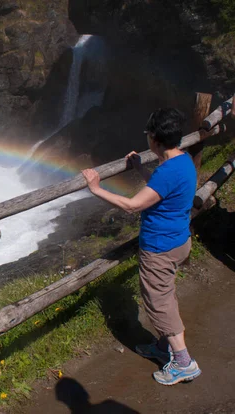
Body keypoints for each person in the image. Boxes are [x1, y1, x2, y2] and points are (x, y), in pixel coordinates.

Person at [81, 108, 201, 385]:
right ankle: (163, 347)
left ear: (155, 139)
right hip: (179, 240)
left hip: (160, 247)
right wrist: (139, 168)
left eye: (148, 134)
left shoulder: (168, 171)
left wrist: (96, 188)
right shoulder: (182, 162)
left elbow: (134, 205)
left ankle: (183, 362)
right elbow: (161, 191)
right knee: (165, 295)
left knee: (159, 303)